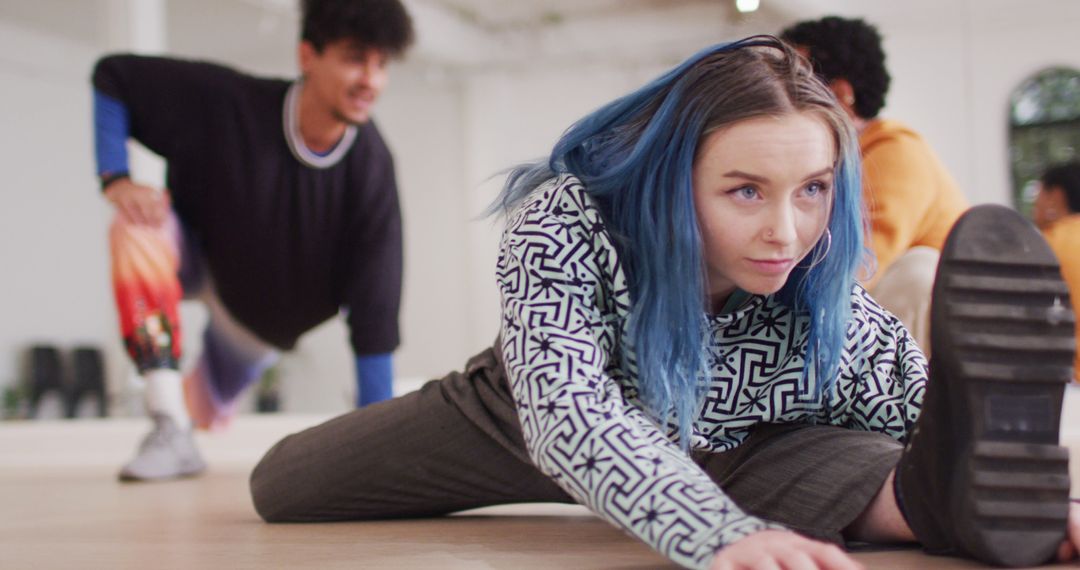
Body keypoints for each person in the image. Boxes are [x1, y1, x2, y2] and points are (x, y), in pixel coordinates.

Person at [248, 37, 1077, 569]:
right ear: (672, 178)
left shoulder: (823, 290)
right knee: (283, 484)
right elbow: (567, 414)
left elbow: (923, 411)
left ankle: (943, 508)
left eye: (814, 189)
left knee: (889, 474)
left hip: (742, 444)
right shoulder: (566, 225)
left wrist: (1047, 505)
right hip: (518, 420)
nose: (786, 231)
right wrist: (713, 532)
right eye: (746, 190)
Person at [92, 0, 414, 481]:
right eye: (354, 57)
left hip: (253, 327)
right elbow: (113, 76)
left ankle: (185, 428)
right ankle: (167, 424)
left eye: (381, 63)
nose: (371, 80)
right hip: (198, 257)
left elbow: (376, 305)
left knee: (203, 415)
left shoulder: (372, 169)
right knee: (135, 230)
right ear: (308, 56)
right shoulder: (229, 103)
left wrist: (377, 444)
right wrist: (115, 176)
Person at [780, 16, 969, 352]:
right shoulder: (834, 161)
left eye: (793, 83)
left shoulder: (894, 150)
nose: (777, 94)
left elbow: (863, 261)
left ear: (841, 94)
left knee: (918, 270)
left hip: (942, 332)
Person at [1035, 162, 1080, 380]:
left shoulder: (1047, 244)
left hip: (1071, 383)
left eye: (1039, 193)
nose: (1035, 203)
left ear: (1056, 196)